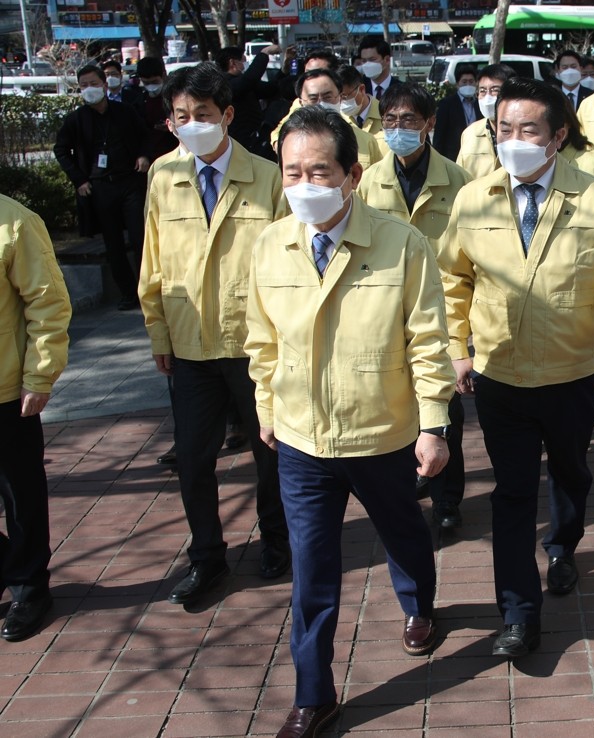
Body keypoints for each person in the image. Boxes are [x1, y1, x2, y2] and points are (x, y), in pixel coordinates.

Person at [245, 106, 455, 737]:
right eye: (291, 173)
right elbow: (260, 341)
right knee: (312, 569)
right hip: (302, 441)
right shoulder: (271, 245)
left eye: (319, 171)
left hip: (381, 432)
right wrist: (266, 407)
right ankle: (315, 692)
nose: (304, 185)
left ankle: (419, 605)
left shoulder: (401, 245)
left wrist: (434, 424)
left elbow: (427, 341)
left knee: (402, 532)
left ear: (352, 175)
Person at [437, 77, 594, 658]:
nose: (514, 141)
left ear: (557, 136)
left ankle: (563, 545)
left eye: (528, 130)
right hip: (500, 374)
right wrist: (458, 349)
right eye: (504, 130)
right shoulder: (474, 198)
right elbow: (451, 281)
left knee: (572, 473)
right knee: (511, 494)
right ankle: (518, 614)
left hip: (572, 371)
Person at [139, 62, 290, 606]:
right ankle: (207, 557)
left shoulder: (267, 177)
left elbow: (285, 261)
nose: (191, 124)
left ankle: (278, 540)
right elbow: (152, 261)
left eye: (202, 114)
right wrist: (158, 332)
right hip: (189, 343)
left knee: (269, 450)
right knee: (194, 457)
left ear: (226, 115)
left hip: (252, 343)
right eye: (180, 116)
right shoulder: (163, 175)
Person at [356, 83, 472, 530]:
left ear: (429, 124)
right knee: (396, 404)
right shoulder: (369, 180)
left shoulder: (457, 180)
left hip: (441, 311)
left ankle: (448, 500)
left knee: (444, 406)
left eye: (408, 120)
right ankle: (412, 480)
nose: (398, 129)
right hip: (387, 308)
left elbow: (469, 255)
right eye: (390, 121)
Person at [0, 195, 72, 642]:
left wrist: (39, 376)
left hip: (6, 390)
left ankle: (29, 587)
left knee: (19, 493)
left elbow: (47, 303)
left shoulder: (15, 222)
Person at [54, 64, 150, 311]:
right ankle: (128, 292)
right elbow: (61, 150)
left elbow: (144, 136)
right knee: (113, 243)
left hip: (128, 181)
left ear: (105, 86)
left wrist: (142, 155)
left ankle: (147, 288)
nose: (90, 89)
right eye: (84, 85)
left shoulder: (124, 112)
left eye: (94, 84)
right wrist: (79, 179)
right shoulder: (76, 119)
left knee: (141, 238)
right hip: (99, 187)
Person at [271, 68, 384, 171]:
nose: (321, 104)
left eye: (327, 97)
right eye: (313, 99)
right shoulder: (291, 144)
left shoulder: (366, 141)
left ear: (340, 98)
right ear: (301, 103)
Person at [215, 44, 280, 157]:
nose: (245, 65)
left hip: (255, 139)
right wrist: (264, 53)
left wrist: (284, 70)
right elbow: (249, 79)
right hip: (238, 142)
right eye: (243, 61)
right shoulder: (224, 84)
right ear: (232, 63)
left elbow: (271, 89)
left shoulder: (244, 84)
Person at [268, 51, 342, 149]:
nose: (313, 78)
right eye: (308, 73)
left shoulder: (351, 99)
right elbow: (279, 132)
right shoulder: (301, 103)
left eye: (319, 72)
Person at [456, 63, 516, 179]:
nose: (487, 97)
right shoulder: (470, 133)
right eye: (482, 91)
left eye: (495, 90)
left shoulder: (526, 133)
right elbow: (460, 177)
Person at [434, 62, 481, 161]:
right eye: (464, 82)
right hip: (453, 157)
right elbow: (439, 135)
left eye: (471, 81)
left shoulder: (480, 104)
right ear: (457, 84)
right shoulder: (447, 105)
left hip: (477, 156)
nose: (468, 85)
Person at [135, 56, 178, 160]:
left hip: (174, 151)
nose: (151, 86)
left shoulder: (176, 97)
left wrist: (173, 127)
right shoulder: (139, 101)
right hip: (151, 155)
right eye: (146, 83)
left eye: (154, 82)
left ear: (163, 75)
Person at [338, 63, 383, 138]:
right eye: (337, 97)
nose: (340, 102)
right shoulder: (338, 119)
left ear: (362, 89)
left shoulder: (385, 114)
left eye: (344, 96)